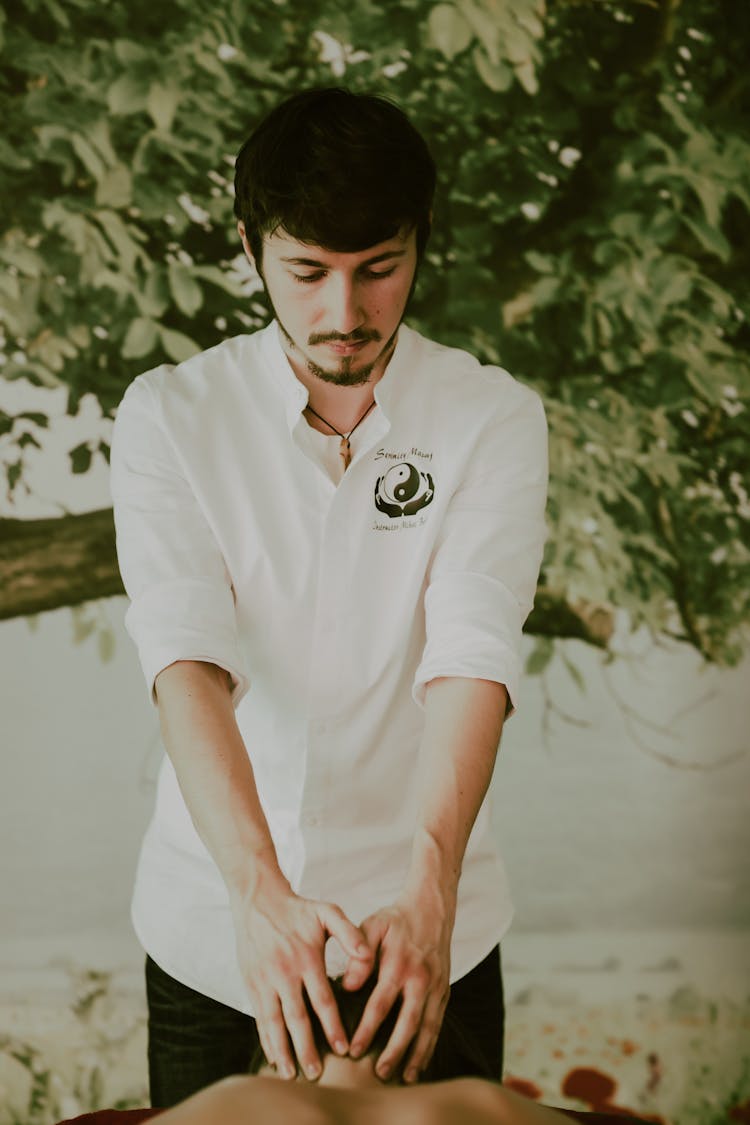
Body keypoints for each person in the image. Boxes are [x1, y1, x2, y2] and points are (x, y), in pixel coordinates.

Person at [110, 86, 548, 1108]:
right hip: (219, 929)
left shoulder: (489, 417)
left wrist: (428, 889)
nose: (343, 314)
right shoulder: (171, 417)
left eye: (377, 271)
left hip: (431, 922)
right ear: (251, 245)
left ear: (419, 245)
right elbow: (185, 661)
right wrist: (257, 894)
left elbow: (473, 655)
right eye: (306, 273)